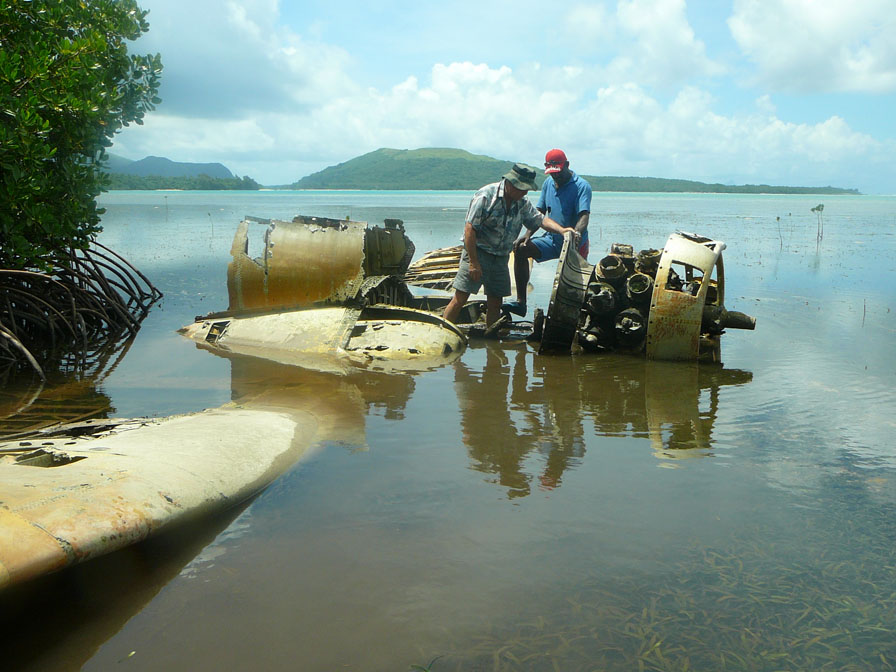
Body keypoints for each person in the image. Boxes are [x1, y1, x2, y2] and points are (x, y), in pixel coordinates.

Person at [442, 163, 576, 327]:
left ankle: (491, 340)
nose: (525, 192)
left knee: (496, 302)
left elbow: (540, 219)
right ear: (511, 184)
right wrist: (473, 262)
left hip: (500, 257)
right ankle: (442, 333)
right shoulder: (485, 196)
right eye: (523, 188)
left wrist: (562, 230)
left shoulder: (522, 202)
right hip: (478, 252)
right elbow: (470, 230)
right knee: (460, 298)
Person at [503, 149, 592, 317]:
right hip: (552, 239)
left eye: (558, 173)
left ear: (566, 165)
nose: (555, 177)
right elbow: (539, 213)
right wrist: (527, 235)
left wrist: (576, 233)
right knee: (521, 249)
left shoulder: (582, 186)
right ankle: (521, 303)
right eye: (552, 173)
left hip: (574, 243)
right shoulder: (548, 184)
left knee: (574, 286)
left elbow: (584, 216)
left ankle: (577, 314)